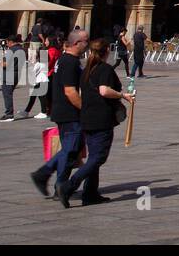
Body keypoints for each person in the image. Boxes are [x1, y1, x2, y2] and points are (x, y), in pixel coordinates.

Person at [57, 38, 133, 207]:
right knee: (98, 157)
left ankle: (90, 193)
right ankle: (69, 186)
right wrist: (123, 96)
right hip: (101, 118)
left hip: (87, 117)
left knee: (93, 156)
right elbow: (104, 90)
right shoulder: (104, 69)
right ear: (107, 51)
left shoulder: (87, 69)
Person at [30, 29, 88, 199]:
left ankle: (59, 186)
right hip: (69, 112)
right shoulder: (70, 62)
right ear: (77, 43)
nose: (88, 44)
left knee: (71, 151)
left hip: (61, 110)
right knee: (71, 149)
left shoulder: (64, 59)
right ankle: (43, 174)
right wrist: (85, 110)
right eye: (86, 41)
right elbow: (70, 91)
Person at [18, 37, 51, 119]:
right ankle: (27, 111)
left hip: (41, 82)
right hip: (43, 81)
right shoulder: (45, 63)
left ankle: (43, 112)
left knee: (41, 97)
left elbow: (32, 72)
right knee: (34, 96)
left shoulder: (39, 64)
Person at [0, 34, 24, 121]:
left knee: (7, 94)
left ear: (10, 42)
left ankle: (9, 114)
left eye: (7, 43)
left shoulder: (11, 50)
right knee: (9, 93)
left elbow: (4, 64)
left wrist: (1, 61)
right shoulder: (22, 49)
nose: (7, 44)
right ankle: (9, 113)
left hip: (9, 74)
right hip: (17, 73)